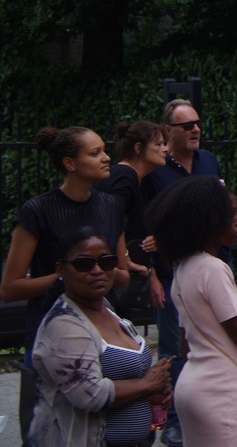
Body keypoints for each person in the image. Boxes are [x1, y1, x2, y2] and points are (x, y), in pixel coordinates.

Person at [1, 126, 130, 441]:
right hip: (51, 335)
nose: (107, 157)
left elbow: (123, 276)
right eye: (95, 153)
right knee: (48, 431)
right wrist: (68, 276)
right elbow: (10, 288)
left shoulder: (111, 206)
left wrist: (107, 272)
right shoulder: (38, 210)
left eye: (104, 150)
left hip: (103, 336)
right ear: (70, 163)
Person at [146, 177, 237, 447]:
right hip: (219, 390)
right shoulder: (213, 268)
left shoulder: (183, 268)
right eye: (230, 213)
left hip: (191, 385)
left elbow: (186, 345)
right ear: (207, 220)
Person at [27, 227, 172, 447]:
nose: (97, 270)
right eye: (84, 264)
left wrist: (154, 389)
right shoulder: (63, 325)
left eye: (107, 262)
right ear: (61, 269)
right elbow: (89, 394)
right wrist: (146, 385)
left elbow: (133, 376)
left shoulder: (107, 310)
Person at [142, 99, 222, 447]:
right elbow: (143, 226)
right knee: (173, 347)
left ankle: (206, 413)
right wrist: (150, 274)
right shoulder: (156, 170)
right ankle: (172, 420)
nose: (195, 129)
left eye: (197, 123)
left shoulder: (208, 161)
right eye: (187, 125)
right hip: (170, 273)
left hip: (208, 270)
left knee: (210, 343)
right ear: (168, 131)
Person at [94, 120, 169, 309]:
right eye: (159, 144)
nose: (165, 149)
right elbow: (111, 218)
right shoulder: (125, 176)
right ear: (138, 148)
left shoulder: (138, 179)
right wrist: (124, 259)